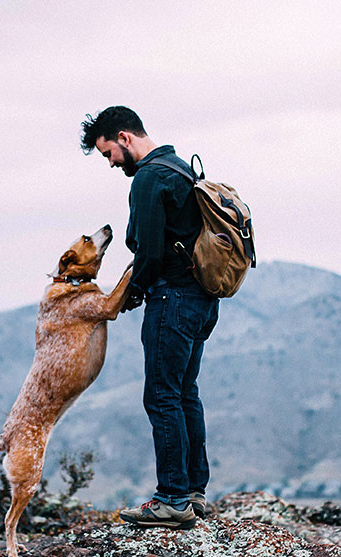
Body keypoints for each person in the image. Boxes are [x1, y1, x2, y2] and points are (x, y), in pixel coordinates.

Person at [80, 106, 220, 529]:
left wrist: (132, 293)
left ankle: (172, 499)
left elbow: (149, 251)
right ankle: (193, 492)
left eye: (108, 153)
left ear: (124, 138)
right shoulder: (180, 167)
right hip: (202, 299)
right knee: (184, 392)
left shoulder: (148, 178)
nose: (110, 163)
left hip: (171, 300)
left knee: (161, 396)